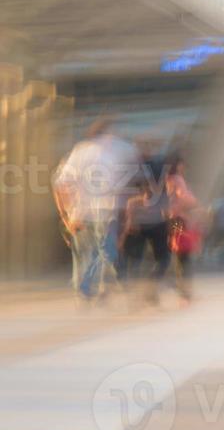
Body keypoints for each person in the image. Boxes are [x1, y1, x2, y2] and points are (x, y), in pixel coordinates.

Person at [52, 118, 137, 304]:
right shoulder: (112, 151)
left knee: (88, 252)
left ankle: (89, 286)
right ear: (106, 134)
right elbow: (123, 184)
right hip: (104, 211)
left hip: (81, 213)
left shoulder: (79, 151)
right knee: (106, 251)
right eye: (111, 133)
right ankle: (87, 284)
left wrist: (67, 213)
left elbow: (62, 183)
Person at [122, 154, 171, 305]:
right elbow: (170, 216)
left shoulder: (134, 202)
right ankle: (148, 290)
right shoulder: (161, 197)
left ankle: (140, 292)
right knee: (162, 260)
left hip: (145, 228)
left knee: (137, 261)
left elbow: (129, 223)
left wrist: (122, 237)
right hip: (155, 227)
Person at [165, 155, 202, 304]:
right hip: (180, 220)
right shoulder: (177, 179)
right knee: (184, 254)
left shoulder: (166, 180)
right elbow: (185, 198)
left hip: (172, 219)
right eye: (183, 165)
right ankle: (184, 292)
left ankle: (181, 288)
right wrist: (196, 204)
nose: (184, 169)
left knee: (178, 251)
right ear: (178, 165)